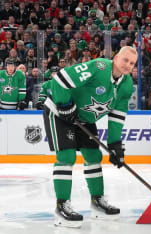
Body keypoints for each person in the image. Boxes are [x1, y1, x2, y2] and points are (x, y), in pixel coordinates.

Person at [42, 46, 138, 228]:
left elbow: (117, 116)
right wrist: (65, 104)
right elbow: (61, 79)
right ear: (116, 57)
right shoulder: (99, 67)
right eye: (125, 60)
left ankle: (97, 202)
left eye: (132, 63)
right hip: (59, 112)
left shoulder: (126, 85)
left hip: (83, 118)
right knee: (67, 157)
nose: (128, 65)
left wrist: (115, 145)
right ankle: (62, 205)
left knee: (94, 156)